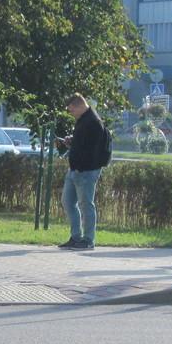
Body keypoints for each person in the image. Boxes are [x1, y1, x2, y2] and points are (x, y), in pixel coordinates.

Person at [56, 93, 107, 251]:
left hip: (86, 171)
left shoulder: (93, 122)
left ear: (79, 106)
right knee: (67, 202)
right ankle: (75, 237)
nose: (71, 113)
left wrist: (75, 145)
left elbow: (91, 149)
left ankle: (88, 240)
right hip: (75, 169)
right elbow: (82, 142)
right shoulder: (82, 120)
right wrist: (72, 140)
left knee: (86, 205)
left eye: (71, 110)